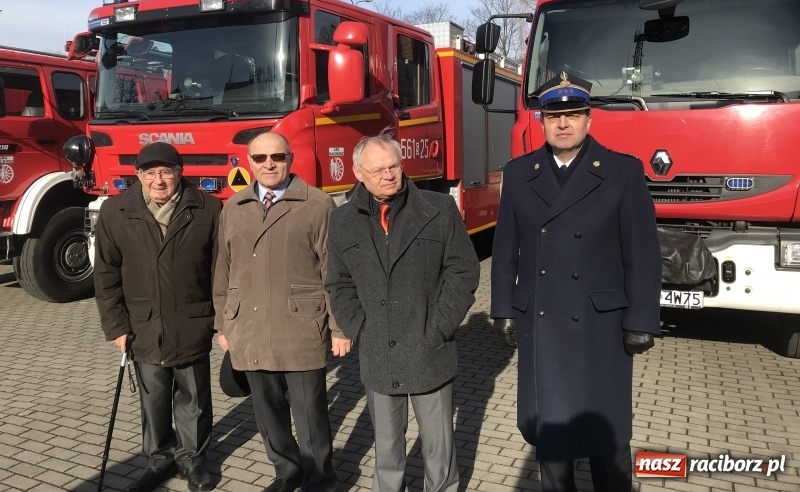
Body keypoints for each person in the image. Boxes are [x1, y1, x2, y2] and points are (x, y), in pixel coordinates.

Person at [491, 72, 662, 492]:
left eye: (572, 115)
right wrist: (502, 308)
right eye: (554, 116)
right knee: (552, 446)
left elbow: (641, 253)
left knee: (608, 445)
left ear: (589, 120)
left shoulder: (622, 171)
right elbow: (505, 248)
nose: (562, 124)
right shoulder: (518, 173)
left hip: (601, 328)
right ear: (542, 122)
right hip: (542, 325)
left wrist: (641, 319)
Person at [326, 133, 480, 492]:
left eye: (393, 166)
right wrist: (360, 330)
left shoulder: (437, 209)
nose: (388, 175)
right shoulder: (343, 220)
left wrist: (439, 327)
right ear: (358, 173)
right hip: (378, 351)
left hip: (429, 348)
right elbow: (339, 283)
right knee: (388, 452)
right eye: (378, 170)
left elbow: (463, 270)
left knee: (438, 449)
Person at [213, 132, 351, 492]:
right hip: (250, 326)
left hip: (300, 326)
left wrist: (339, 328)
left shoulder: (317, 204)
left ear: (290, 159)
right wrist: (222, 324)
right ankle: (287, 472)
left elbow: (333, 270)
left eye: (277, 156)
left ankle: (321, 479)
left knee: (310, 415)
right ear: (249, 162)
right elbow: (223, 271)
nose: (269, 164)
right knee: (268, 411)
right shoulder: (234, 207)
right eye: (260, 158)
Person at [94, 142, 221, 492]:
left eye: (166, 171)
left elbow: (219, 272)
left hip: (192, 321)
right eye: (150, 172)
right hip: (142, 325)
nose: (159, 180)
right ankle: (159, 460)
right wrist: (116, 327)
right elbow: (105, 275)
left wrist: (222, 321)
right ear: (138, 175)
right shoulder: (115, 212)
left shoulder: (207, 208)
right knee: (153, 400)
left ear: (180, 173)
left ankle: (193, 460)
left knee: (194, 400)